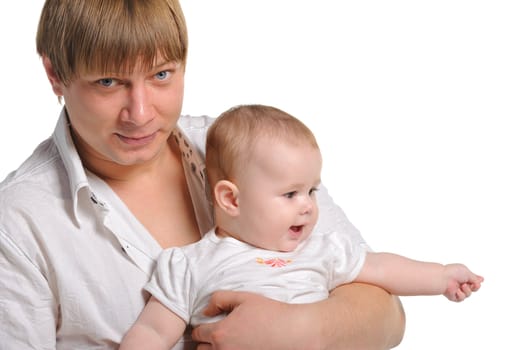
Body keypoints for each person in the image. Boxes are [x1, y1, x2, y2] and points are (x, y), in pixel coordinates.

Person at [0, 1, 406, 349]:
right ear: (55, 74)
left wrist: (296, 329)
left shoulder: (243, 148)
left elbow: (388, 315)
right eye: (108, 82)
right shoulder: (18, 222)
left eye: (161, 75)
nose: (140, 113)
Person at [119, 104, 483, 349]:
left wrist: (442, 276)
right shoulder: (189, 263)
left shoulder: (322, 249)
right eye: (291, 194)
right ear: (231, 199)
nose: (308, 206)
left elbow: (384, 268)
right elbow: (152, 330)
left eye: (312, 190)